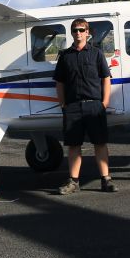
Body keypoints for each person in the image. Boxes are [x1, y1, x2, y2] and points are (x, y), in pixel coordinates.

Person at [52, 18, 117, 194]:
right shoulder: (65, 56)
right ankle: (73, 182)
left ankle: (106, 180)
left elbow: (106, 78)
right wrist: (63, 104)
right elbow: (59, 82)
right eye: (75, 30)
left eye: (81, 30)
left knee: (100, 143)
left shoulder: (97, 54)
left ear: (88, 32)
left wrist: (104, 103)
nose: (78, 33)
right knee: (73, 145)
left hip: (94, 106)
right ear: (72, 33)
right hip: (72, 107)